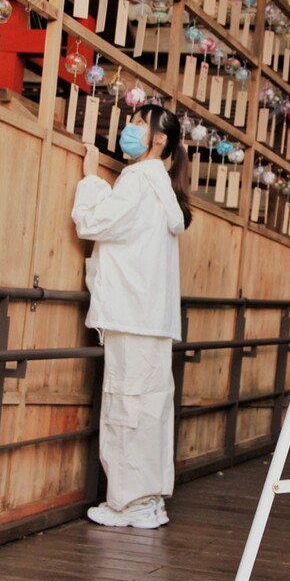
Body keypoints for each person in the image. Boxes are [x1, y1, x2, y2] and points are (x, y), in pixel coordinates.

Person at [72, 104, 192, 529]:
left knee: (126, 406)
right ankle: (150, 498)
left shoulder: (140, 179)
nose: (130, 127)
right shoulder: (161, 187)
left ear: (159, 139)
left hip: (131, 314)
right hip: (153, 319)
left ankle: (129, 503)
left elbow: (93, 223)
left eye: (140, 123)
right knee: (152, 406)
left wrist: (90, 179)